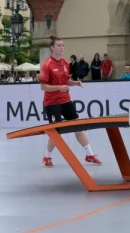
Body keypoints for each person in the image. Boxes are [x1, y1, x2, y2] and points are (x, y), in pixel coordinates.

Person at [39, 36, 101, 168]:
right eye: (59, 45)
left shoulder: (65, 63)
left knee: (78, 126)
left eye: (63, 45)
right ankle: (47, 157)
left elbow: (66, 81)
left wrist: (75, 83)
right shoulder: (47, 65)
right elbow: (43, 86)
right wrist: (58, 88)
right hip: (52, 102)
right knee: (56, 130)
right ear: (52, 47)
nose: (61, 48)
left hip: (66, 100)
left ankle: (89, 154)